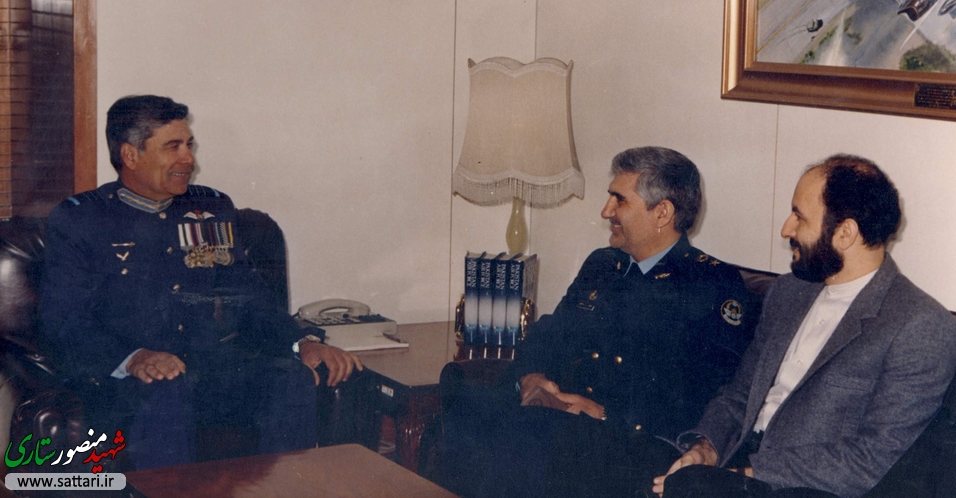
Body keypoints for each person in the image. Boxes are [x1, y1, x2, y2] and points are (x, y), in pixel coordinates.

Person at [40, 95, 363, 469]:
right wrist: (134, 358)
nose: (188, 159)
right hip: (127, 381)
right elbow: (65, 320)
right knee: (167, 391)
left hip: (210, 370)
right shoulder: (80, 220)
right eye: (173, 147)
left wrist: (302, 342)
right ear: (130, 155)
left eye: (188, 145)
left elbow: (249, 296)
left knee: (290, 379)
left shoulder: (210, 209)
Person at [440, 147, 754, 498]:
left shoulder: (711, 283)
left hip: (635, 442)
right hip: (564, 422)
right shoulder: (603, 264)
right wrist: (533, 377)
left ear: (662, 212)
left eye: (620, 200)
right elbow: (550, 333)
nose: (606, 211)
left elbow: (707, 394)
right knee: (463, 408)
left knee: (523, 435)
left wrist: (603, 413)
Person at [654, 154, 956, 498]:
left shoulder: (919, 325)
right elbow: (740, 395)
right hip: (734, 465)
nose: (786, 229)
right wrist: (705, 449)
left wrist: (741, 479)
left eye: (799, 216)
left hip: (801, 488)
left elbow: (871, 458)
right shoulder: (789, 291)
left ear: (844, 233)